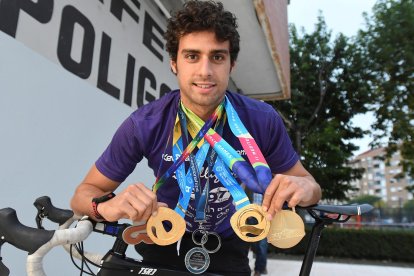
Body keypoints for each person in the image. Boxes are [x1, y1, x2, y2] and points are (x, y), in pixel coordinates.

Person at [70, 1, 321, 275]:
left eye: (217, 57)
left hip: (229, 249)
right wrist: (106, 207)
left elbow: (310, 186)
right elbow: (83, 195)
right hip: (161, 240)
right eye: (192, 56)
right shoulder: (144, 124)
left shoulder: (262, 120)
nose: (205, 71)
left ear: (231, 64)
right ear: (174, 63)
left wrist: (305, 189)